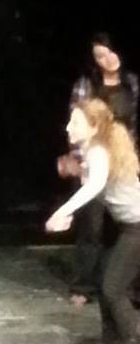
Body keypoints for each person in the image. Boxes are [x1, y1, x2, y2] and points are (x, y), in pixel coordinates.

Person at [47, 98, 140, 344]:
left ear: (94, 126)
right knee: (102, 280)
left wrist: (62, 211)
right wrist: (80, 173)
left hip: (137, 226)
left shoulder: (99, 149)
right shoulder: (94, 149)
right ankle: (112, 343)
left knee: (113, 288)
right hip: (125, 224)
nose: (68, 127)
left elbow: (96, 186)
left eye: (75, 122)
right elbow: (99, 189)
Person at [60, 34, 139, 306]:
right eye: (99, 56)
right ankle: (84, 285)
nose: (107, 60)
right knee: (91, 228)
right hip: (92, 161)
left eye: (110, 53)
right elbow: (76, 126)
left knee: (127, 226)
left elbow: (133, 126)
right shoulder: (87, 85)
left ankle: (127, 287)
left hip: (123, 162)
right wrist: (80, 163)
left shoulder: (132, 84)